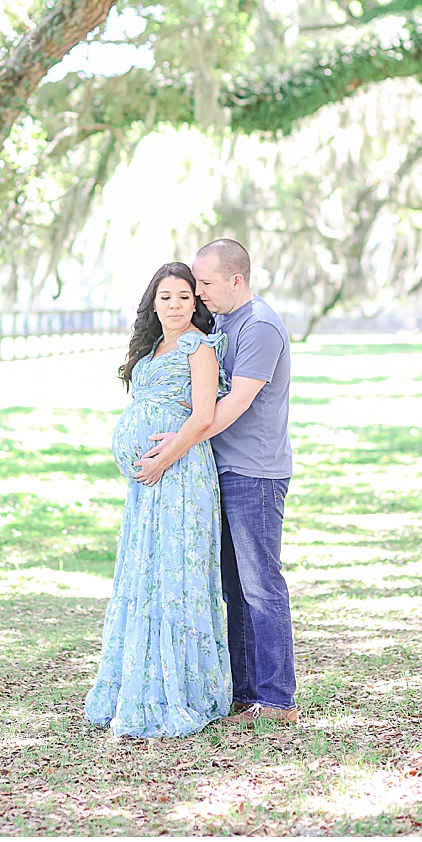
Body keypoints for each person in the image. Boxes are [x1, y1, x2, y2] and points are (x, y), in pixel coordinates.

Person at [135, 238, 297, 726]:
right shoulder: (222, 322)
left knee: (261, 587)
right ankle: (246, 697)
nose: (198, 292)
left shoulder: (261, 326)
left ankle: (277, 700)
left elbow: (231, 405)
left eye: (204, 283)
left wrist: (173, 450)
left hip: (255, 472)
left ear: (236, 280)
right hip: (218, 471)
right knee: (233, 589)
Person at [84, 261, 232, 738]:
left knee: (177, 571)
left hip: (182, 475)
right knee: (146, 572)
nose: (174, 305)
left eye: (185, 298)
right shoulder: (151, 348)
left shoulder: (199, 347)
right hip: (148, 483)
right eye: (166, 297)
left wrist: (163, 458)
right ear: (154, 301)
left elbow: (204, 416)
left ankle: (182, 688)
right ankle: (139, 681)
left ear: (196, 303)